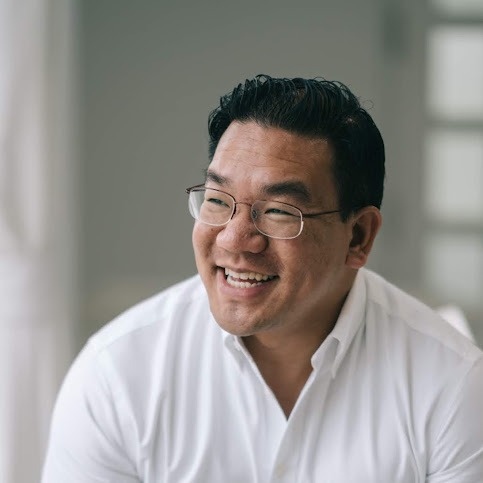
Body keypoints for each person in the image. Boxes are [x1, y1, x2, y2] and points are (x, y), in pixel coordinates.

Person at [42, 75, 483, 482]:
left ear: (358, 236)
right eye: (218, 200)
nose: (234, 240)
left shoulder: (451, 383)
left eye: (277, 211)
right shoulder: (117, 375)